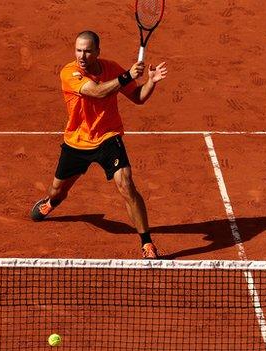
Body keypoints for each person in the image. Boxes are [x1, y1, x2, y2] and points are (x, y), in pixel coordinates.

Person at [30, 30, 167, 259]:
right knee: (58, 191)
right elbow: (96, 92)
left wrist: (151, 82)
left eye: (87, 51)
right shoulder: (69, 72)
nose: (82, 56)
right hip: (77, 141)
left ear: (97, 52)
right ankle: (51, 202)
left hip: (108, 137)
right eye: (78, 50)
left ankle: (147, 242)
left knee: (126, 184)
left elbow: (138, 98)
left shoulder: (111, 68)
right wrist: (126, 76)